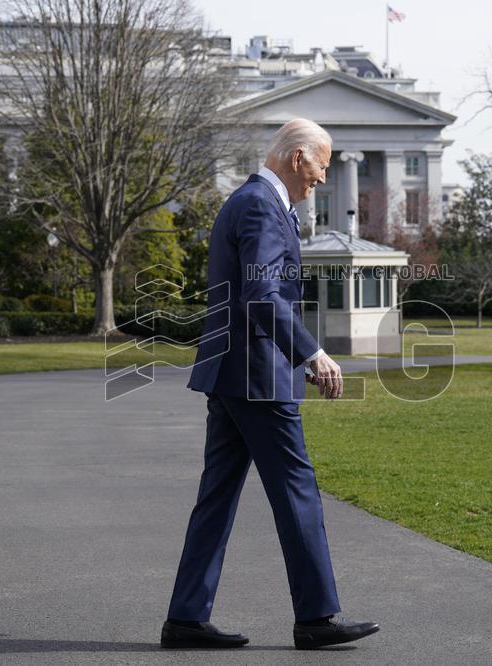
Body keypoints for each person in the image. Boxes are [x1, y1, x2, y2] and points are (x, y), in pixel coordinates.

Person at [161, 118, 380, 650]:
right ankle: (317, 617)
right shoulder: (261, 205)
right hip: (258, 378)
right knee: (297, 490)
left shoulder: (250, 201)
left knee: (216, 498)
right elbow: (261, 296)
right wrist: (312, 352)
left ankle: (186, 618)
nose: (323, 179)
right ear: (298, 157)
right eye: (322, 166)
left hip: (234, 374)